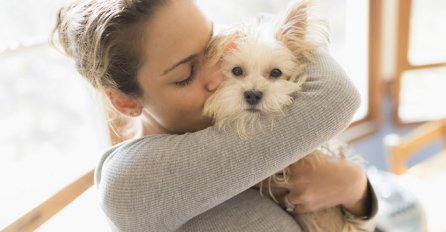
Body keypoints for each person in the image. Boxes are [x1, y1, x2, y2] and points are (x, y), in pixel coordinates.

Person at [54, 0, 377, 231]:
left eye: (213, 44)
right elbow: (337, 97)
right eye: (185, 73)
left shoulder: (236, 124)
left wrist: (358, 191)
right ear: (125, 102)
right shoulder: (130, 183)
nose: (217, 75)